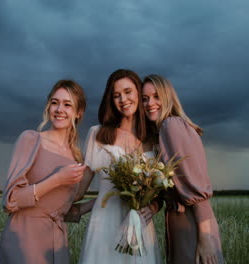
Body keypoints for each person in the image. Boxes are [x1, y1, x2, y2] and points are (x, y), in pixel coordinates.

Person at [75, 69, 162, 263]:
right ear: (111, 101)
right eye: (116, 95)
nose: (123, 99)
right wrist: (44, 201)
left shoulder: (154, 139)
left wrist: (154, 207)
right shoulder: (97, 135)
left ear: (139, 93)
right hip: (103, 227)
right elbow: (79, 190)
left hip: (140, 229)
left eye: (128, 91)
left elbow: (162, 191)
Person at [0, 80, 89, 264]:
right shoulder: (31, 140)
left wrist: (105, 200)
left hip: (57, 245)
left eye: (67, 104)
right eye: (55, 102)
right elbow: (10, 200)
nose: (59, 109)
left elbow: (60, 212)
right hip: (24, 240)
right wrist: (57, 179)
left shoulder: (76, 157)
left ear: (78, 112)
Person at [140, 74, 224, 264]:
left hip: (192, 222)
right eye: (144, 99)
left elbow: (195, 183)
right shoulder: (163, 131)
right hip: (179, 222)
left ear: (168, 97)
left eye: (156, 96)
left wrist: (205, 237)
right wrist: (153, 205)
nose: (149, 103)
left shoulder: (172, 125)